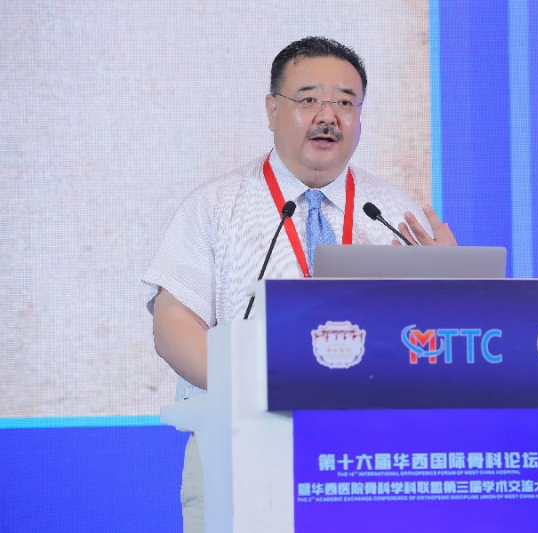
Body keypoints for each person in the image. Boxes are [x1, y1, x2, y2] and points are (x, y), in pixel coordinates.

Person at [143, 36, 456, 532]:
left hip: (370, 456)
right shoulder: (215, 207)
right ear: (272, 110)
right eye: (308, 99)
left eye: (346, 103)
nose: (328, 116)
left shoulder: (394, 213)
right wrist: (253, 388)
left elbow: (434, 340)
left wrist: (451, 285)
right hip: (241, 449)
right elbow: (173, 324)